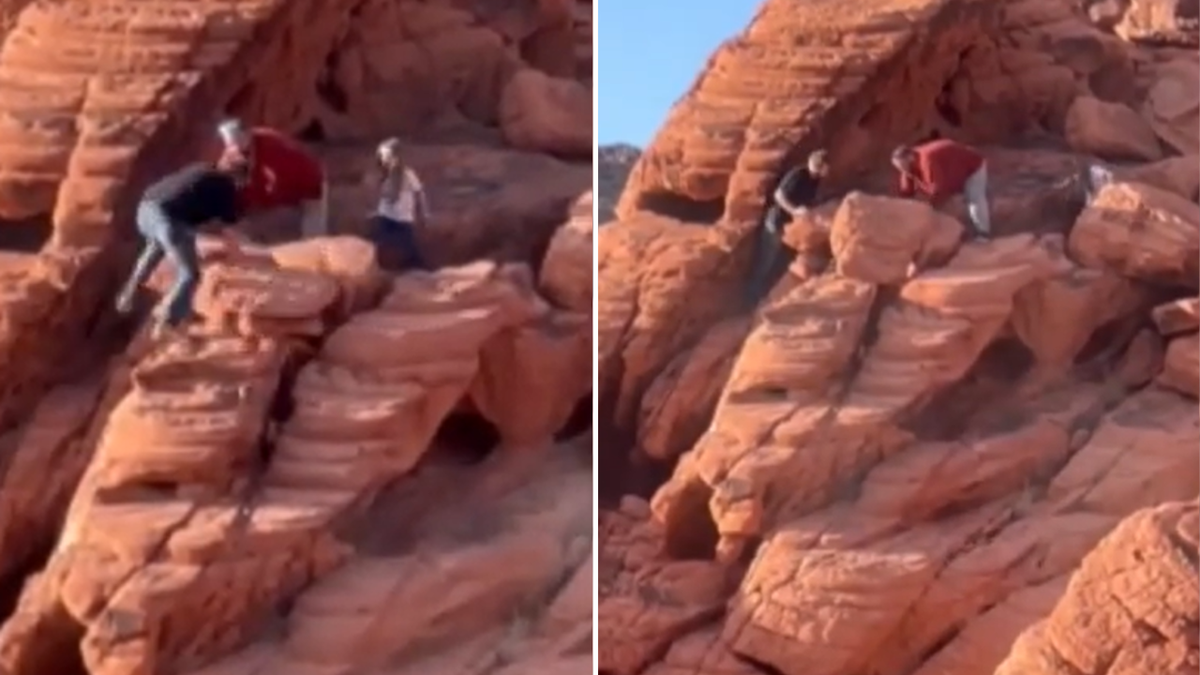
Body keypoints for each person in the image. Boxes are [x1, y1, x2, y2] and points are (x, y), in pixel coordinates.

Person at [115, 158, 248, 340]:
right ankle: (167, 323)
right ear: (237, 175)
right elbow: (229, 226)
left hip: (144, 211)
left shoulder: (200, 167)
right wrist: (243, 249)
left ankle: (128, 294)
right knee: (190, 274)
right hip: (168, 220)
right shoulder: (224, 185)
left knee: (157, 244)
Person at [216, 118, 328, 239]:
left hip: (309, 189)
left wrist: (252, 201)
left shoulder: (271, 147)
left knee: (311, 239)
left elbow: (277, 187)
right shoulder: (236, 154)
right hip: (278, 194)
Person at [746, 150, 830, 308]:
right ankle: (749, 300)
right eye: (826, 167)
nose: (827, 172)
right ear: (820, 165)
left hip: (788, 226)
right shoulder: (799, 174)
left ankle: (762, 298)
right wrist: (795, 210)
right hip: (776, 222)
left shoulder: (815, 180)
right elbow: (779, 196)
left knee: (778, 261)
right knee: (766, 261)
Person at [892, 139, 991, 239]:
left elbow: (937, 188)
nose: (903, 170)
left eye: (903, 167)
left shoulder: (927, 160)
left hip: (972, 167)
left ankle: (983, 233)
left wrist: (927, 208)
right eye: (900, 168)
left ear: (910, 158)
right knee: (944, 204)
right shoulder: (909, 164)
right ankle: (958, 233)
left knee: (974, 198)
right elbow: (906, 190)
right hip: (953, 172)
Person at [369, 137, 431, 271]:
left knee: (409, 248)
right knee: (378, 244)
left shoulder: (407, 174)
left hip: (402, 218)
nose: (383, 159)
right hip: (386, 216)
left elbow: (419, 193)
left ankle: (421, 272)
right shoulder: (385, 175)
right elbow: (384, 196)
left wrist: (424, 214)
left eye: (386, 156)